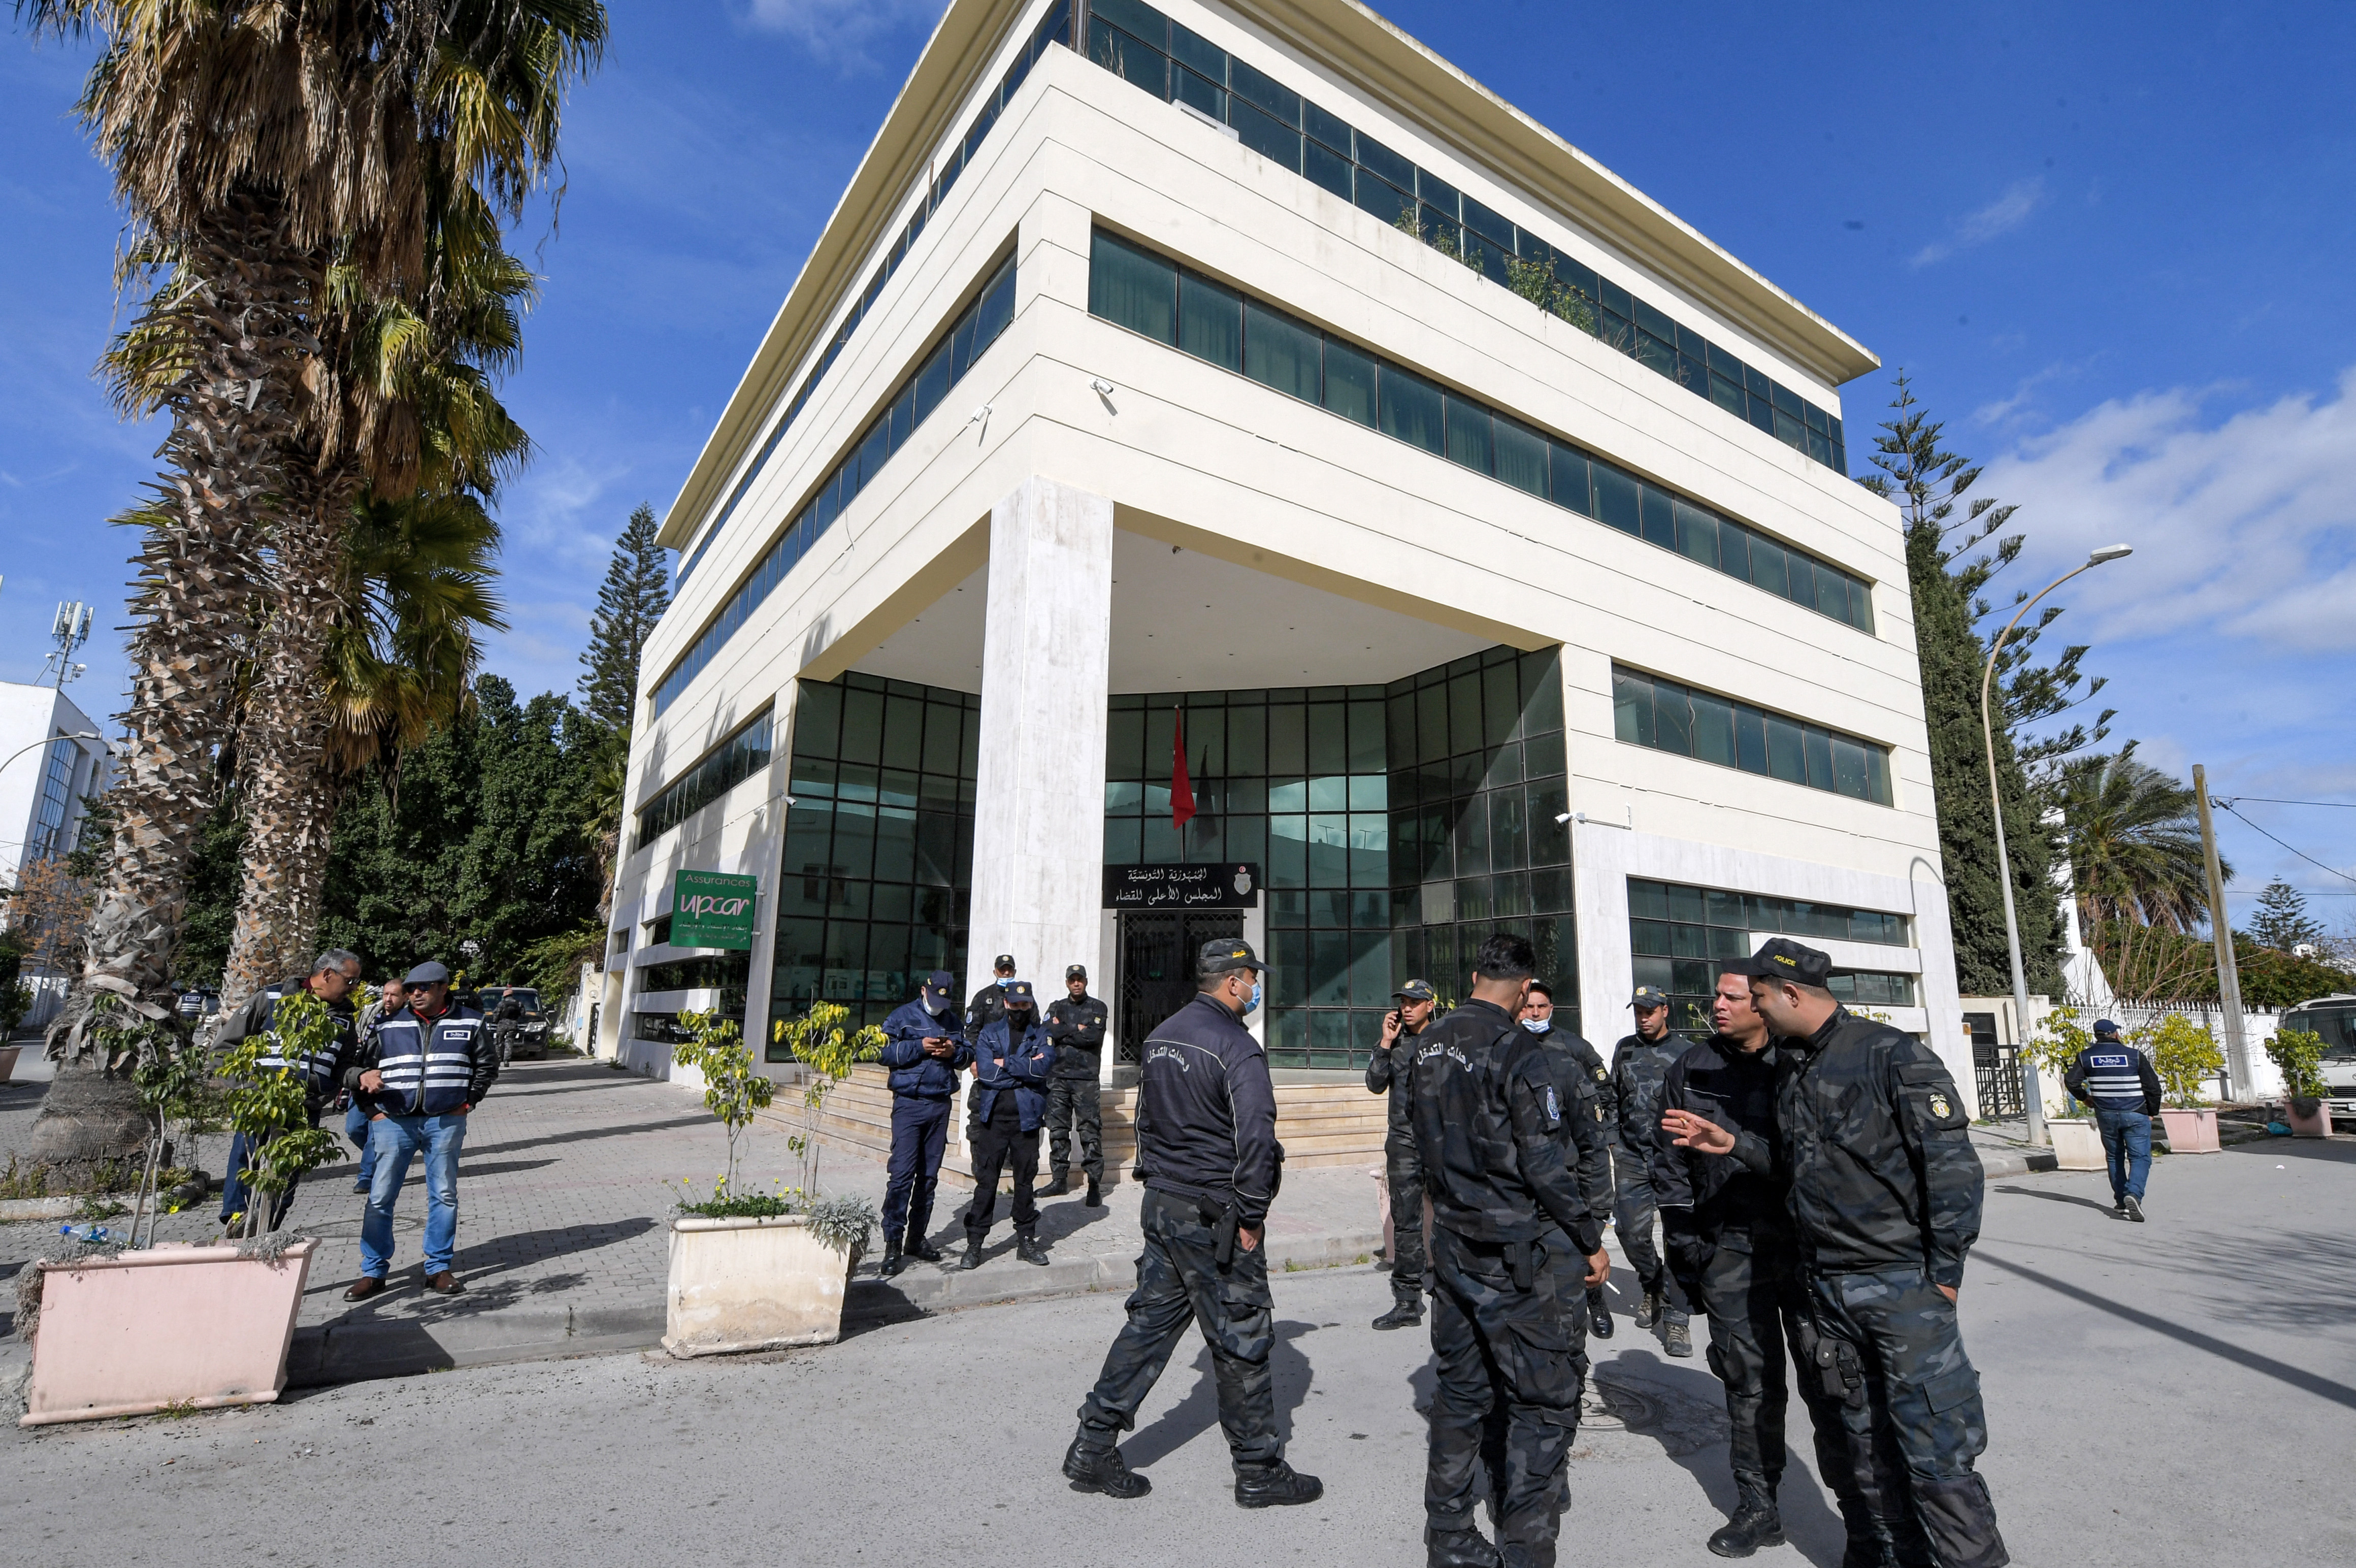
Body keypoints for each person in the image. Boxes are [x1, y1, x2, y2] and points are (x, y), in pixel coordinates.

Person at [1664, 938, 2006, 1568]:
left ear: (1790, 994)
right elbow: (1794, 1165)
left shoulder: (1891, 1055)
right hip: (1824, 1291)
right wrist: (1731, 1140)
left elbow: (1954, 1174)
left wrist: (1944, 1278)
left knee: (1935, 1451)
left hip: (1899, 1286)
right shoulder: (1794, 1064)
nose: (1756, 1012)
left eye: (1760, 998)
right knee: (1858, 1441)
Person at [1065, 938, 1321, 1509]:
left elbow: (1144, 1124)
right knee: (1243, 1340)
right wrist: (1251, 1214)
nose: (1256, 988)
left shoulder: (1159, 1039)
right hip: (1215, 1216)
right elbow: (1257, 1142)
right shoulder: (1237, 1047)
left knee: (1148, 1328)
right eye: (1253, 978)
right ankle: (1258, 1470)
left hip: (1164, 1205)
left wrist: (1158, 1186)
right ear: (1232, 982)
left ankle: (1091, 1444)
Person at [1413, 933, 1608, 1568]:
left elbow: (1417, 1148)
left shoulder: (1427, 1043)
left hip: (1453, 1241)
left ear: (1475, 975)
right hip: (1513, 1253)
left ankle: (1447, 1537)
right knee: (1543, 1401)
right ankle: (1526, 1548)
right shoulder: (1514, 1048)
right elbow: (1545, 1162)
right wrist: (1587, 1237)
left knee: (1460, 1391)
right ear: (1524, 989)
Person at [1656, 967, 1861, 1559]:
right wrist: (1686, 1244)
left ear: (1762, 1004)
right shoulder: (1691, 1066)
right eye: (1714, 994)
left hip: (1803, 1250)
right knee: (1747, 1388)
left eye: (1730, 996)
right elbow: (1666, 1163)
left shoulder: (1798, 1063)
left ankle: (1860, 1519)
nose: (1715, 1004)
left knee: (1830, 1385)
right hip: (1729, 1250)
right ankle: (1758, 1509)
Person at [340, 961, 496, 1300]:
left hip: (445, 1121)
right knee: (380, 1197)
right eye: (411, 988)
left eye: (423, 988)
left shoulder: (470, 1021)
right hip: (393, 1122)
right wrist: (372, 1113)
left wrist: (467, 1102)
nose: (415, 994)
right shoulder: (388, 1025)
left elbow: (487, 1065)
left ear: (443, 987)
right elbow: (360, 1069)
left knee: (444, 1195)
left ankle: (438, 1268)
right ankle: (373, 1271)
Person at [215, 950, 363, 1233]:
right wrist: (254, 1090)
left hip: (305, 1113)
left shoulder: (344, 1018)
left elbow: (343, 1066)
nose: (354, 988)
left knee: (285, 1185)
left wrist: (352, 1080)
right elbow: (224, 1051)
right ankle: (236, 1234)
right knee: (246, 1171)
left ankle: (266, 1237)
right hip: (260, 1108)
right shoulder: (270, 1000)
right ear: (328, 975)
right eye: (351, 981)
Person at [1518, 982, 1615, 1344]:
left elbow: (1599, 1110)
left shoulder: (1571, 1051)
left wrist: (1597, 1211)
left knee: (1578, 1267)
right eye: (1529, 1006)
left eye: (1541, 1007)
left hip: (1566, 1187)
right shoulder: (1503, 1051)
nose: (1534, 1013)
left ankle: (1596, 1301)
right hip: (1521, 1204)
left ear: (1552, 1008)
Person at [1609, 984, 1693, 1355]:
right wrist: (1612, 1138)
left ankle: (1676, 1320)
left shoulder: (1687, 1053)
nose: (1643, 1018)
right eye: (1638, 1011)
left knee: (1677, 1237)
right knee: (1630, 1231)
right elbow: (1611, 1096)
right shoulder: (1624, 1049)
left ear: (1664, 1011)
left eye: (1649, 1011)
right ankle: (1653, 1283)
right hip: (1631, 1156)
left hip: (1674, 1159)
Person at [876, 970, 973, 1277]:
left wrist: (953, 1052)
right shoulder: (901, 1016)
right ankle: (893, 1242)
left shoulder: (953, 1021)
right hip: (909, 1104)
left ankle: (916, 1239)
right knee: (902, 1175)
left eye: (943, 1000)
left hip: (940, 1103)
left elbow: (968, 1054)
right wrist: (920, 1047)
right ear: (923, 991)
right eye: (934, 998)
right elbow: (881, 1052)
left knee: (928, 1178)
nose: (938, 1005)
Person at [962, 978, 1055, 1268]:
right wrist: (1023, 1068)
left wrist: (1007, 1063)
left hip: (1026, 1121)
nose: (1020, 1009)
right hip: (994, 1120)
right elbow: (986, 1073)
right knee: (987, 1184)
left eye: (1025, 1004)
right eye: (1015, 1004)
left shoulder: (1041, 1034)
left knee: (1025, 1184)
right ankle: (975, 1244)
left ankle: (1026, 1242)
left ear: (1031, 1004)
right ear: (1006, 1003)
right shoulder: (990, 1032)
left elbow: (1043, 1070)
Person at [1364, 978, 1437, 1329]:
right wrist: (1385, 1042)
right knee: (1406, 1223)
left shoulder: (1445, 1040)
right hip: (1404, 1143)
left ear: (1430, 1005)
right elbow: (1375, 1084)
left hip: (1440, 1143)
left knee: (1452, 1219)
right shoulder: (1396, 1043)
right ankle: (1407, 1301)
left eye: (1415, 1002)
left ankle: (1451, 1287)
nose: (1407, 1008)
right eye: (1404, 1002)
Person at [2063, 1019, 2162, 1222]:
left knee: (2114, 1156)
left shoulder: (2086, 1056)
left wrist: (2085, 1098)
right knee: (2140, 1157)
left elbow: (2071, 1081)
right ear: (2115, 1034)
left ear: (2097, 1035)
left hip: (2106, 1113)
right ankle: (2133, 1194)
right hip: (2135, 1112)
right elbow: (2153, 1087)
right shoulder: (2134, 1055)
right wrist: (2152, 1111)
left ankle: (2120, 1201)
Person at [1044, 963, 1110, 1205]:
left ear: (1086, 981)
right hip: (1059, 1077)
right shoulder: (1056, 1007)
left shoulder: (1097, 1007)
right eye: (1072, 980)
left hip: (1085, 1079)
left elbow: (1093, 1037)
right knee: (1058, 1130)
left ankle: (1094, 1184)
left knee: (1089, 1131)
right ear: (1066, 982)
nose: (1076, 983)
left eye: (1080, 979)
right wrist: (1076, 1029)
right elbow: (1048, 1030)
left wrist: (1064, 1031)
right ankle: (1058, 1179)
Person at [346, 974, 406, 1193]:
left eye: (394, 995)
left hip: (388, 1084)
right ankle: (385, 1157)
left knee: (374, 1132)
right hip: (363, 1079)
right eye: (385, 994)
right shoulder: (372, 1014)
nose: (388, 999)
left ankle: (366, 1177)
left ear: (405, 997)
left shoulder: (407, 1021)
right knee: (354, 1128)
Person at [965, 953, 1019, 1045]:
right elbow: (972, 1031)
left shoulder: (1024, 996)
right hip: (990, 1051)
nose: (1006, 973)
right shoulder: (983, 996)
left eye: (1010, 969)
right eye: (1002, 970)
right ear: (995, 972)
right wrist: (980, 1055)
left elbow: (1035, 1024)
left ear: (1015, 972)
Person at [490, 986, 525, 1067]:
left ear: (504, 995)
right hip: (513, 1024)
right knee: (509, 1042)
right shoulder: (518, 1003)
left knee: (499, 1042)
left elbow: (497, 1014)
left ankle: (498, 1060)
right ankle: (507, 1060)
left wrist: (495, 1021)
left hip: (502, 1024)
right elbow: (523, 1014)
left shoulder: (502, 1003)